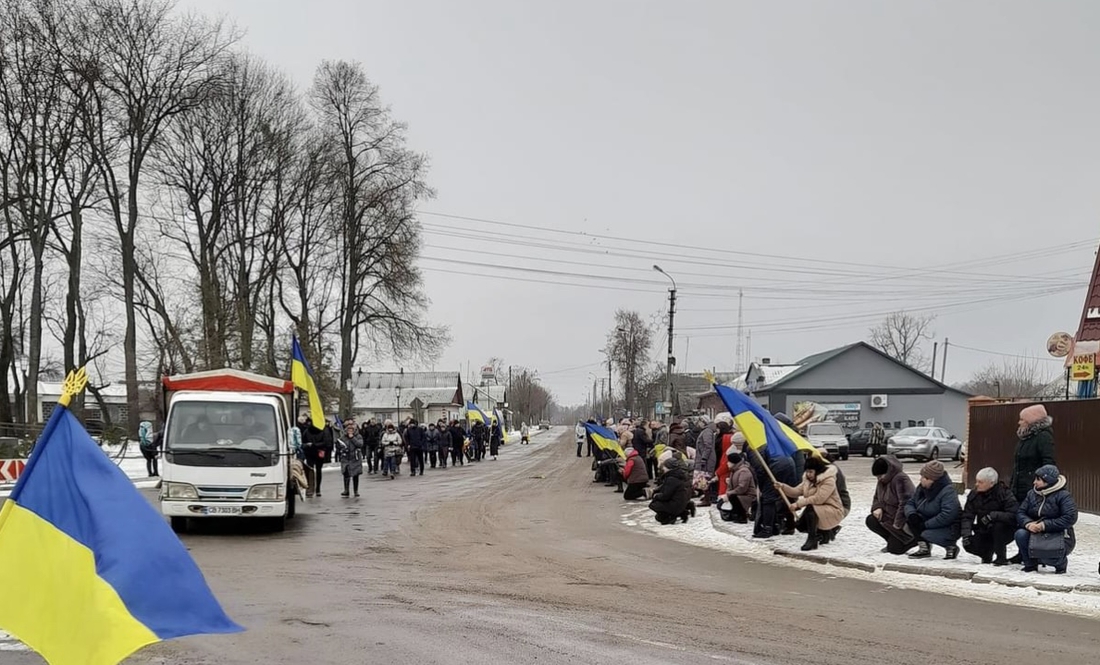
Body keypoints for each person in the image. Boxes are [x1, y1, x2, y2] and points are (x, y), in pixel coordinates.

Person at [1016, 464, 1077, 574]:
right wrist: (1029, 524)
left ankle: (1060, 563)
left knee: (1047, 555)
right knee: (1020, 534)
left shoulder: (1064, 496)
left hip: (1058, 534)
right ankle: (1030, 565)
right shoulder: (1031, 494)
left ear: (1048, 481)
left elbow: (1070, 518)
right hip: (1035, 532)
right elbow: (1021, 512)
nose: (1034, 482)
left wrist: (1044, 525)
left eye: (1038, 479)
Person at [776, 455, 845, 551]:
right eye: (807, 471)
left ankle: (812, 539)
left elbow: (819, 498)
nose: (808, 474)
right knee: (800, 525)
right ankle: (826, 532)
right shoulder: (808, 481)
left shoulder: (829, 480)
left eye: (811, 472)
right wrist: (783, 487)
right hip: (819, 510)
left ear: (818, 471)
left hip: (833, 510)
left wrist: (798, 504)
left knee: (810, 509)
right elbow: (796, 491)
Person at [905, 461, 962, 560]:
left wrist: (926, 524)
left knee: (927, 534)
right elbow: (910, 503)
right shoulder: (922, 488)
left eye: (923, 477)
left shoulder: (948, 491)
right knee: (911, 522)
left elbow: (947, 515)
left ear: (932, 480)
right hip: (929, 518)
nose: (920, 479)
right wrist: (912, 514)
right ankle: (924, 548)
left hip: (949, 526)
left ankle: (950, 546)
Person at [961, 467, 1018, 566]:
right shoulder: (974, 494)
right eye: (976, 481)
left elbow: (1013, 514)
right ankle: (986, 554)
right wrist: (966, 535)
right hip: (983, 529)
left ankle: (1001, 558)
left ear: (991, 483)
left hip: (1004, 531)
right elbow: (967, 516)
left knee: (998, 526)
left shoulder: (1004, 493)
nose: (976, 484)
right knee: (969, 543)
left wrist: (993, 516)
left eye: (980, 482)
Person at [866, 455, 916, 554]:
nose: (879, 479)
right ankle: (891, 541)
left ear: (888, 472)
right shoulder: (882, 481)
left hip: (902, 521)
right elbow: (877, 497)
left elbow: (906, 503)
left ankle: (916, 539)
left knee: (895, 550)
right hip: (888, 519)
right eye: (877, 477)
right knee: (871, 520)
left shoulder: (900, 479)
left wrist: (897, 524)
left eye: (881, 476)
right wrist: (878, 507)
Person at [649, 454, 695, 524]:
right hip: (681, 502)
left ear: (669, 468)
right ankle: (676, 513)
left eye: (664, 466)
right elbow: (665, 487)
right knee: (659, 515)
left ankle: (671, 516)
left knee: (654, 505)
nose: (663, 468)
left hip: (676, 504)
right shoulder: (678, 475)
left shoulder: (671, 478)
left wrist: (656, 496)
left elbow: (666, 495)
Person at [719, 450, 756, 524]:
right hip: (739, 494)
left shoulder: (744, 471)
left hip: (748, 496)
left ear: (733, 462)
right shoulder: (734, 470)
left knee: (733, 497)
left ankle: (741, 516)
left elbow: (742, 488)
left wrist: (729, 494)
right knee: (721, 502)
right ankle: (734, 515)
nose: (727, 463)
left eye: (728, 462)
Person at [693, 419, 718, 506]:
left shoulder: (707, 431)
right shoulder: (708, 431)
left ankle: (707, 499)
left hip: (706, 460)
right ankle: (706, 496)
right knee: (703, 478)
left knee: (704, 478)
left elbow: (707, 446)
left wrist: (703, 458)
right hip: (706, 458)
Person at [338, 422, 365, 497]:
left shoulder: (358, 436)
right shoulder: (343, 437)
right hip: (346, 458)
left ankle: (355, 491)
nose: (350, 431)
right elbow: (339, 445)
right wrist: (341, 448)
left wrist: (352, 438)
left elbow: (360, 444)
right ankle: (346, 490)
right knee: (346, 473)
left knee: (355, 474)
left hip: (355, 458)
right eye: (348, 429)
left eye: (351, 429)